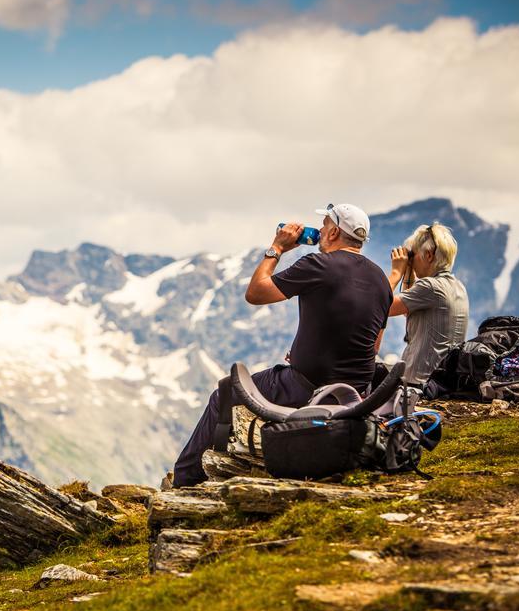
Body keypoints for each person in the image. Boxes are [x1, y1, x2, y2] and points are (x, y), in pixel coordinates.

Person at [172, 204, 393, 487]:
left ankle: (186, 482)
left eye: (324, 226)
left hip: (306, 385)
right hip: (355, 394)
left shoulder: (318, 265)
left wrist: (277, 247)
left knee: (224, 394)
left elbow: (256, 293)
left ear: (335, 231)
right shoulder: (380, 280)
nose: (320, 231)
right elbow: (373, 347)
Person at [387, 223, 469, 386]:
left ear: (429, 255)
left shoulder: (430, 287)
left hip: (417, 384)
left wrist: (396, 273)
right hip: (439, 382)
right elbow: (407, 310)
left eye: (414, 254)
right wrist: (409, 271)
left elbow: (381, 307)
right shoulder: (457, 286)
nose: (411, 259)